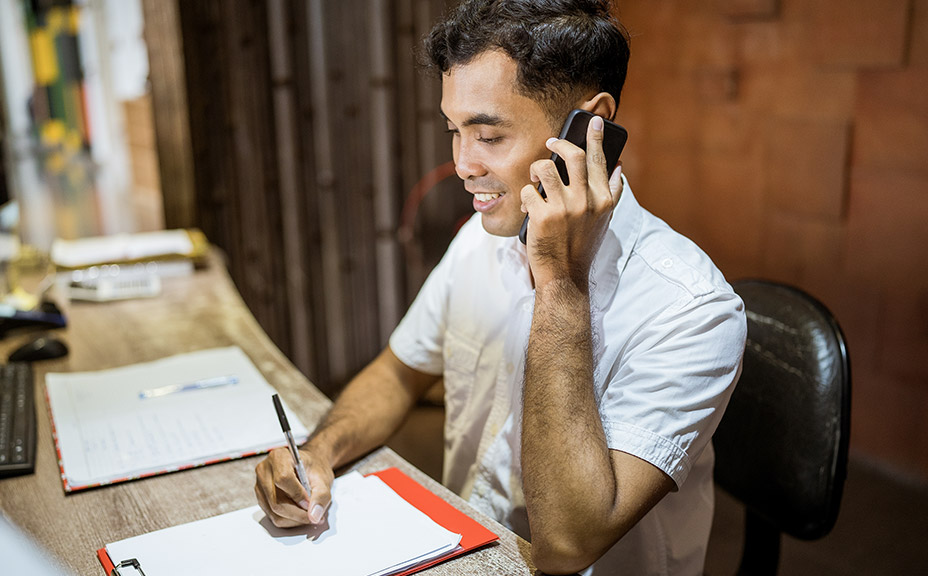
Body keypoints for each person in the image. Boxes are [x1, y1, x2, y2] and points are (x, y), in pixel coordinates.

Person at [254, 1, 746, 574]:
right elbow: (399, 370)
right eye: (454, 131)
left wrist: (560, 283)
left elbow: (566, 544)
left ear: (589, 128)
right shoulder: (478, 240)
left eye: (488, 134)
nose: (462, 164)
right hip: (466, 550)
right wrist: (318, 452)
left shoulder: (692, 310)